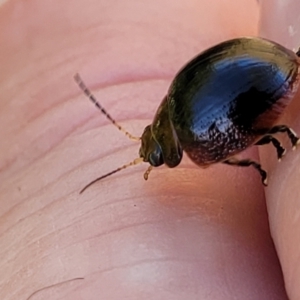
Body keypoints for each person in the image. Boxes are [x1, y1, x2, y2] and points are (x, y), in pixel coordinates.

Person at [1, 0, 299, 299]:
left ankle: (277, 138)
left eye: (155, 157)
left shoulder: (195, 135)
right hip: (266, 63)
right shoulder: (178, 98)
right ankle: (278, 135)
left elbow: (236, 141)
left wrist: (261, 159)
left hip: (269, 72)